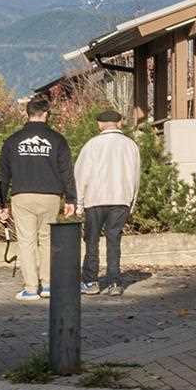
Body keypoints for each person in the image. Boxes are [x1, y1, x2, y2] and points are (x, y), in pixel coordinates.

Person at [0, 96, 80, 301]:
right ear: (46, 114)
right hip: (50, 196)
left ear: (28, 113)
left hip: (22, 196)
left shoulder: (12, 140)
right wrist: (71, 199)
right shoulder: (58, 140)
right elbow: (67, 172)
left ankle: (31, 289)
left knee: (26, 242)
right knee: (47, 240)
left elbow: (2, 175)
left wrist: (0, 203)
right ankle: (48, 285)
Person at [76, 107, 145, 296]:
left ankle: (90, 281)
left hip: (95, 199)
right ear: (119, 123)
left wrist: (79, 204)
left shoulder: (91, 145)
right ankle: (115, 282)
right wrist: (132, 202)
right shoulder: (130, 145)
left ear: (99, 124)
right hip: (121, 199)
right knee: (114, 240)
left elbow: (81, 175)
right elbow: (135, 176)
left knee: (91, 241)